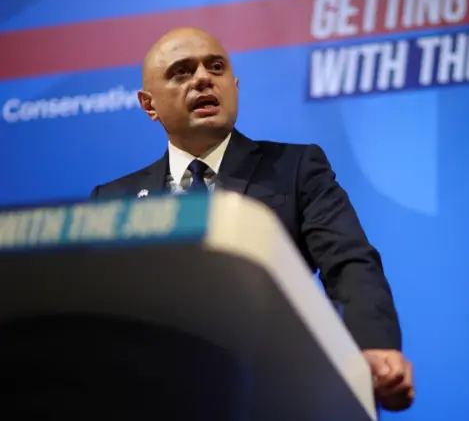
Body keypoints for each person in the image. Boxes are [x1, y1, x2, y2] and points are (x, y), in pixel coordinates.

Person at [90, 27, 414, 412]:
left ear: (234, 85)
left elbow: (349, 263)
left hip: (267, 394)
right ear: (149, 104)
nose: (203, 79)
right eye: (181, 72)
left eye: (216, 67)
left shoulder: (294, 168)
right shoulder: (113, 200)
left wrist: (371, 345)